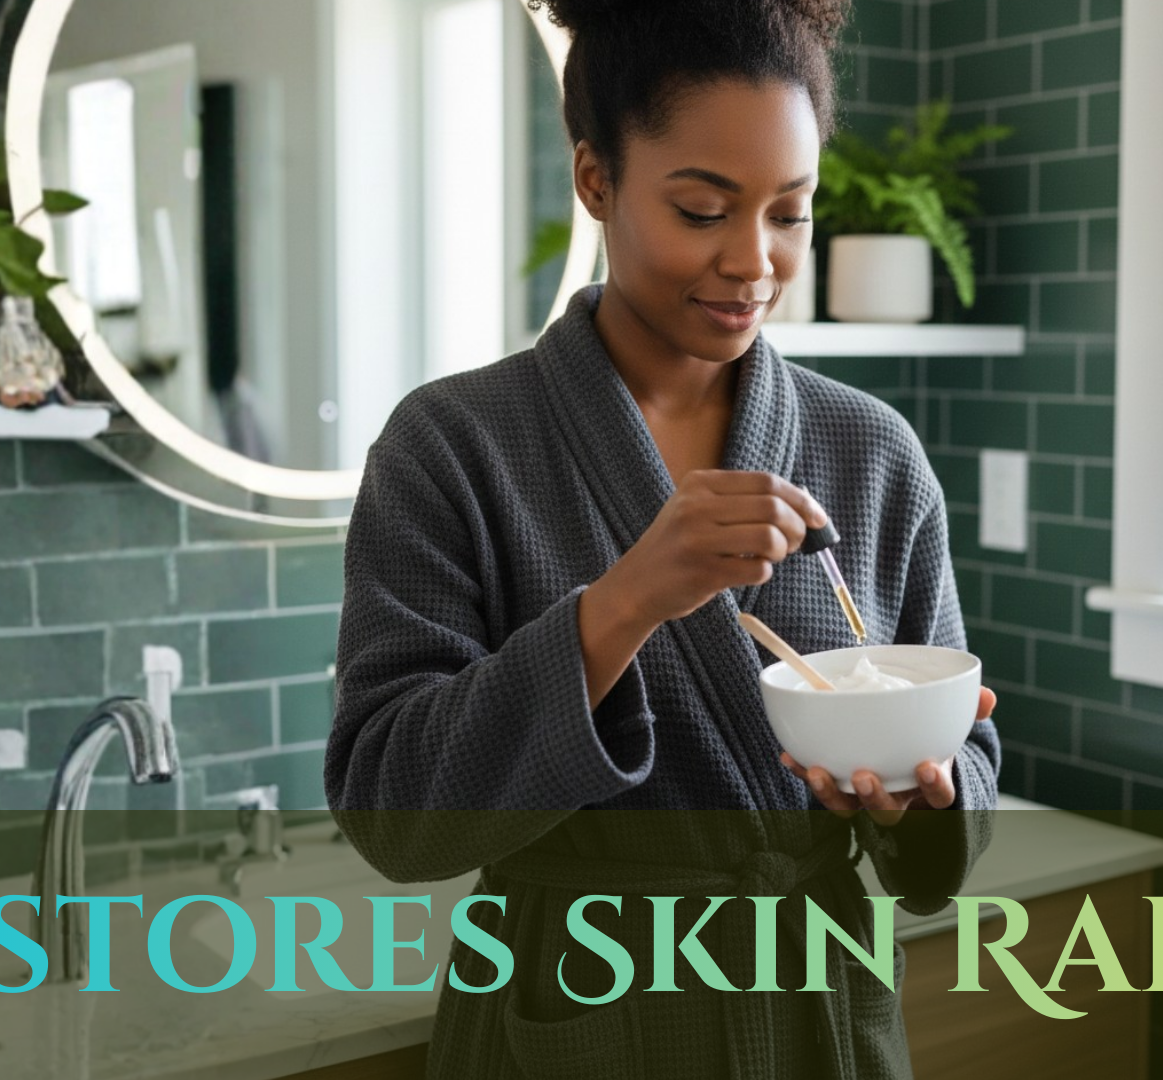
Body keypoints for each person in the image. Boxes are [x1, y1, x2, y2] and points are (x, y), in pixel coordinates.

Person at [325, 0, 1001, 1075]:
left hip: (815, 1013)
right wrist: (625, 601)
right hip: (576, 1011)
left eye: (790, 213)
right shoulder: (452, 445)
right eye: (701, 210)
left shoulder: (871, 451)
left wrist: (928, 791)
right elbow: (394, 814)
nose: (754, 262)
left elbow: (958, 798)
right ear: (597, 179)